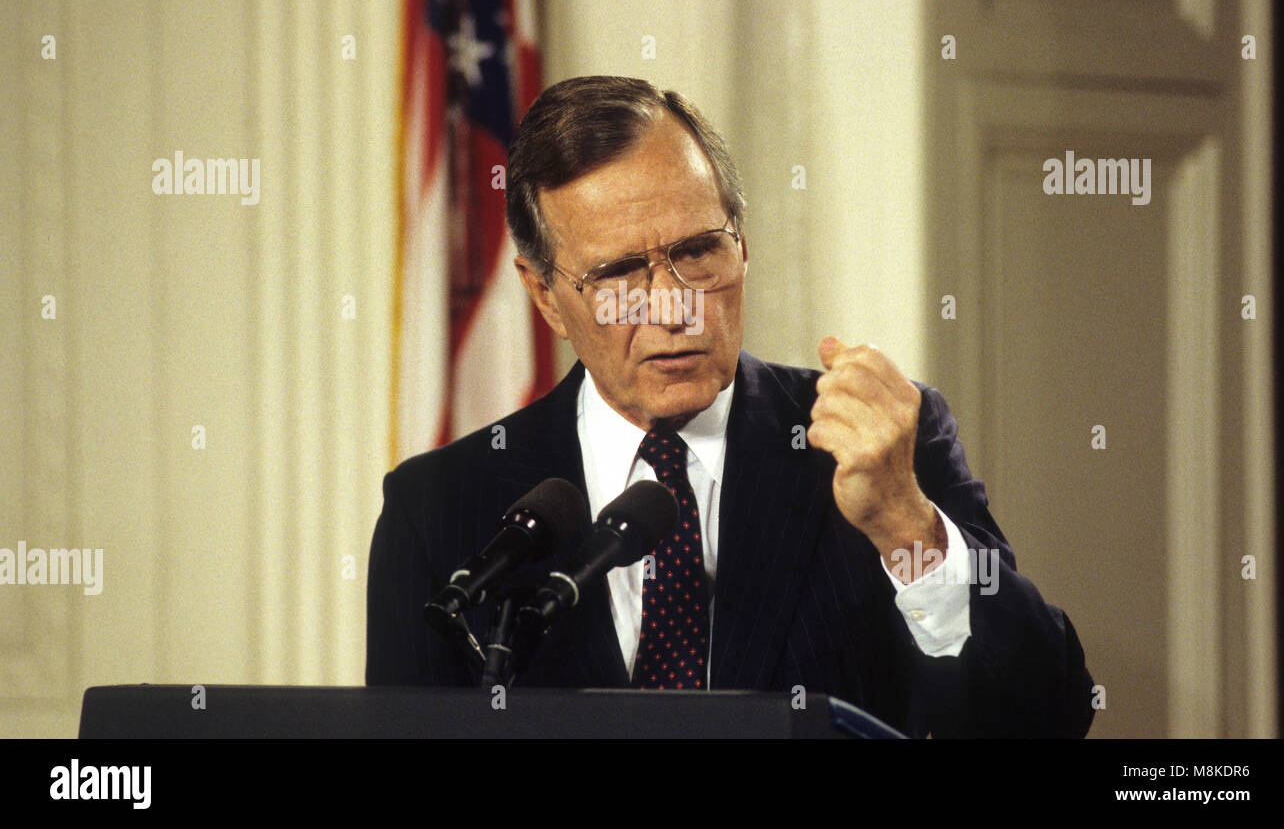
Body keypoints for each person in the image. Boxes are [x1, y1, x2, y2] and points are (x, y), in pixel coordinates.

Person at [366, 75, 1095, 737]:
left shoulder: (879, 446)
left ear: (743, 246)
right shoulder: (438, 510)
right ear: (545, 296)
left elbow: (1049, 717)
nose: (673, 306)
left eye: (698, 251)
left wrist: (908, 529)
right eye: (619, 271)